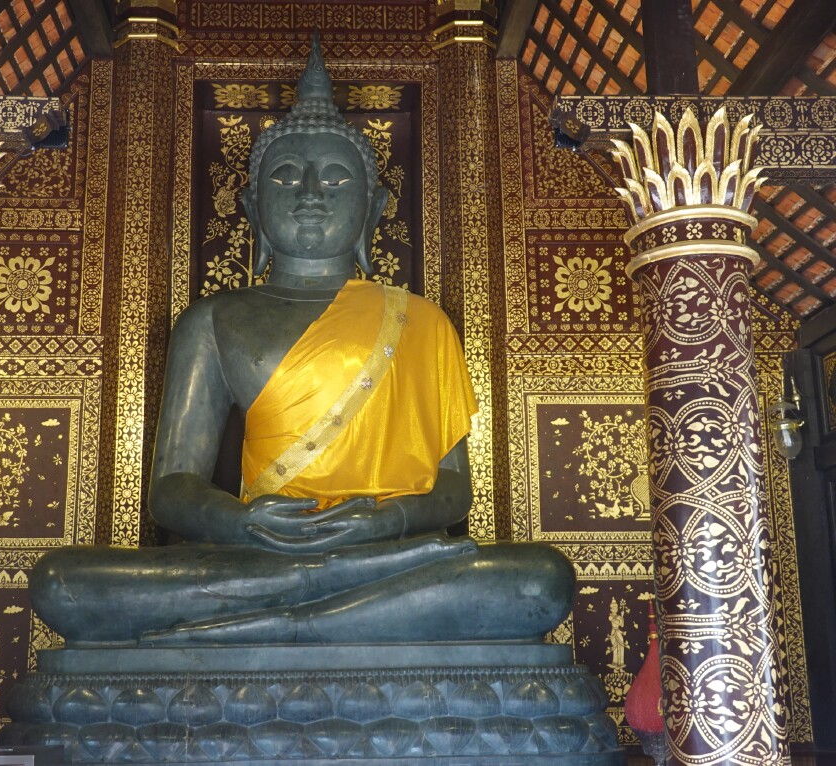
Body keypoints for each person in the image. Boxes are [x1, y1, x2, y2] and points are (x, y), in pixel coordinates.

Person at [30, 35, 574, 646]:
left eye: (337, 181)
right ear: (250, 205)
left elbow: (452, 489)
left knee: (538, 581)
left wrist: (385, 518)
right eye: (286, 179)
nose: (311, 194)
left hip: (387, 554)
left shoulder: (421, 321)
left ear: (375, 208)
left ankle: (275, 624)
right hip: (262, 555)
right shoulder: (213, 320)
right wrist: (240, 525)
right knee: (63, 582)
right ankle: (318, 614)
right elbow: (171, 487)